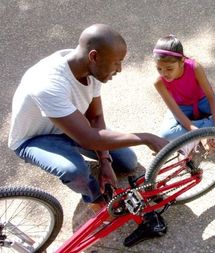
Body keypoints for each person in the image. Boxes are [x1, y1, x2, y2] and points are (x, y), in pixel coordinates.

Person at [8, 24, 169, 208]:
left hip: (71, 128)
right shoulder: (48, 84)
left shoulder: (90, 68)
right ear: (94, 56)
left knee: (128, 161)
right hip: (32, 140)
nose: (120, 69)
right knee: (74, 171)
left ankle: (74, 154)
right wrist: (145, 138)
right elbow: (89, 138)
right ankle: (96, 198)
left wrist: (105, 161)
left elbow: (95, 117)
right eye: (117, 62)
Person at [152, 35, 215, 143]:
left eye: (169, 68)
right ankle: (208, 128)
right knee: (165, 134)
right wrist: (196, 132)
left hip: (203, 101)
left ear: (182, 61)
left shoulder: (195, 68)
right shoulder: (159, 82)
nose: (164, 73)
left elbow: (211, 97)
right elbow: (175, 110)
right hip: (181, 108)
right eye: (159, 68)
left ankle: (202, 131)